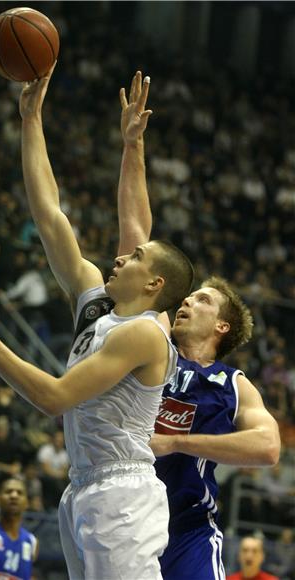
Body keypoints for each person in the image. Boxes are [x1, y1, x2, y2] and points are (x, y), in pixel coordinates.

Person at [0, 66, 194, 579]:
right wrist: (31, 120)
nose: (122, 257)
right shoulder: (96, 305)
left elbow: (54, 397)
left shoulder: (144, 333)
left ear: (154, 284)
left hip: (122, 492)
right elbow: (49, 211)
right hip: (83, 488)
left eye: (135, 257)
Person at [116, 71, 281, 580]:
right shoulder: (154, 338)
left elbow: (268, 447)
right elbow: (136, 235)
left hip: (186, 530)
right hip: (123, 518)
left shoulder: (233, 385)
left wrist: (178, 443)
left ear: (223, 326)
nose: (188, 301)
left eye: (203, 299)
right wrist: (132, 146)